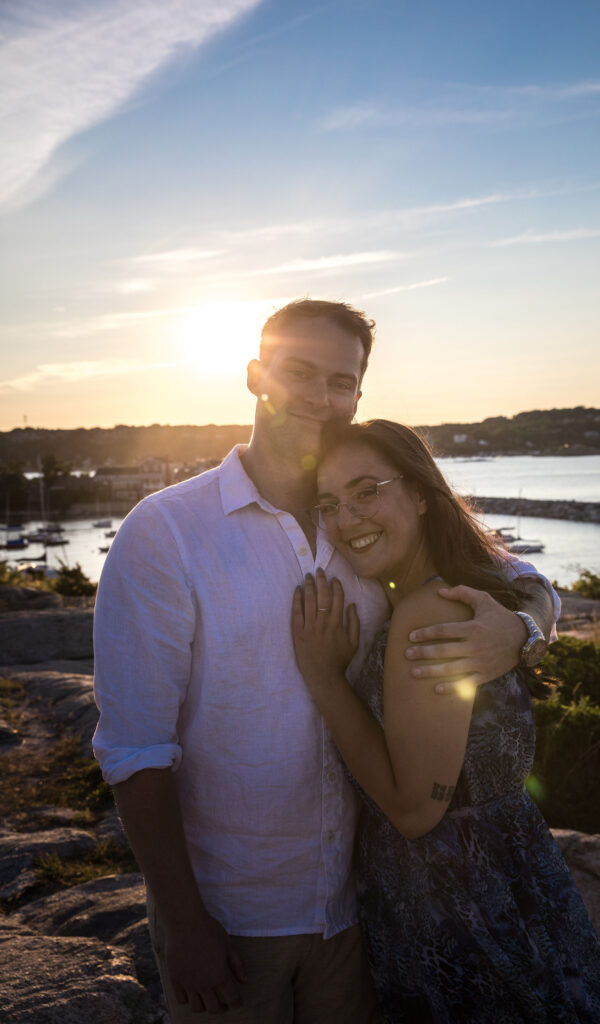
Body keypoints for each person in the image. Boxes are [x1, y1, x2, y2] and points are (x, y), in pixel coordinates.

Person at [93, 299, 559, 1023]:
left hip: (358, 910)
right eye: (297, 372)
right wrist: (183, 923)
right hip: (232, 916)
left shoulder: (357, 523)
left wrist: (525, 628)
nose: (318, 395)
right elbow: (135, 749)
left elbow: (509, 570)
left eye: (339, 381)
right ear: (255, 375)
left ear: (357, 396)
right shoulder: (166, 533)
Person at [291, 418, 600, 1024]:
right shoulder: (469, 587)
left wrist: (324, 680)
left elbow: (415, 811)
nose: (346, 520)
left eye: (368, 491)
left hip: (455, 901)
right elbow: (528, 582)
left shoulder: (426, 614)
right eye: (329, 503)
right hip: (512, 876)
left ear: (421, 494)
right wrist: (533, 620)